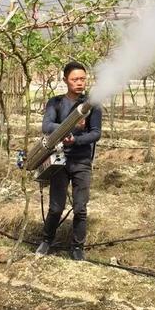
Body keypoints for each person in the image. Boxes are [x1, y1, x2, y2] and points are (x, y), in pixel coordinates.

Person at [35, 61, 102, 261]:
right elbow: (46, 126)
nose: (79, 83)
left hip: (81, 161)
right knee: (56, 206)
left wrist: (76, 139)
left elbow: (96, 133)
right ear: (65, 80)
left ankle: (77, 247)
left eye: (82, 79)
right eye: (75, 79)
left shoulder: (92, 104)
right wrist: (71, 127)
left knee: (81, 207)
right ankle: (46, 241)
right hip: (60, 160)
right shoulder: (55, 103)